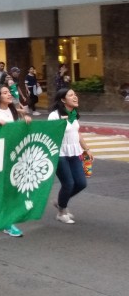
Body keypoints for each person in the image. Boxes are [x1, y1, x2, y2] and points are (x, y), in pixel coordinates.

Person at [0, 85, 33, 238]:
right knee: (3, 187)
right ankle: (7, 223)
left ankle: (0, 216)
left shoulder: (14, 111)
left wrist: (27, 119)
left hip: (14, 153)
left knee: (12, 186)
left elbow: (20, 129)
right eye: (5, 93)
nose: (9, 95)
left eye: (9, 92)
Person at [48, 89, 88, 224]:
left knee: (81, 183)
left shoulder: (74, 114)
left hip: (74, 152)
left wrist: (86, 149)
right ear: (63, 100)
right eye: (71, 95)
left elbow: (77, 133)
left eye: (75, 94)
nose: (75, 97)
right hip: (60, 153)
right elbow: (49, 134)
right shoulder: (54, 116)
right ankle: (61, 212)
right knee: (68, 183)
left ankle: (60, 201)